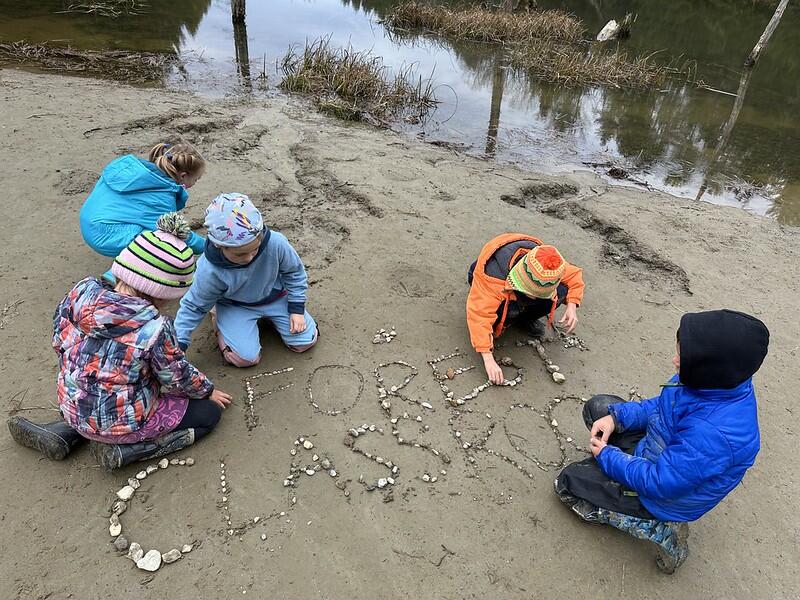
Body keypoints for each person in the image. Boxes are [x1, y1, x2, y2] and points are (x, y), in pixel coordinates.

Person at [7, 214, 232, 470]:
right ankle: (130, 451)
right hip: (125, 421)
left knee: (94, 397)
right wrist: (206, 391)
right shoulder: (155, 329)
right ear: (164, 294)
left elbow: (59, 341)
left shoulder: (79, 295)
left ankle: (64, 433)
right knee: (208, 415)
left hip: (72, 404)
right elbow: (176, 376)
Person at [554, 309, 769, 573]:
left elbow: (660, 482)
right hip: (664, 453)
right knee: (599, 409)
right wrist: (617, 418)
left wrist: (608, 457)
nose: (675, 361)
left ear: (708, 365)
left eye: (682, 357)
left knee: (567, 483)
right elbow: (664, 407)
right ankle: (619, 467)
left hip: (662, 496)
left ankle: (661, 528)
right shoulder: (715, 379)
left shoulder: (714, 434)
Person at [174, 193, 318, 367]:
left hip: (276, 297)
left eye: (255, 250)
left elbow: (295, 273)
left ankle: (272, 320)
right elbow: (194, 305)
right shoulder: (209, 269)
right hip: (236, 305)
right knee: (244, 359)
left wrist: (297, 308)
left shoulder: (276, 243)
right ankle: (219, 319)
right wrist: (178, 342)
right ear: (219, 245)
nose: (249, 258)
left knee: (305, 342)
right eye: (240, 254)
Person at [466, 233, 585, 384]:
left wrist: (572, 304)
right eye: (533, 293)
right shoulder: (493, 276)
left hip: (517, 288)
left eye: (539, 294)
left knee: (562, 291)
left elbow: (574, 275)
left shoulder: (548, 263)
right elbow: (479, 315)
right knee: (500, 313)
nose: (536, 298)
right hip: (487, 280)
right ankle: (508, 319)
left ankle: (524, 319)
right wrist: (488, 358)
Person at [79, 141, 207, 259]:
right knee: (165, 241)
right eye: (196, 179)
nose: (195, 183)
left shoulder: (129, 168)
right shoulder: (161, 197)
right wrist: (207, 246)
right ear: (183, 176)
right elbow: (178, 232)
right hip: (103, 235)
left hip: (88, 219)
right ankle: (116, 276)